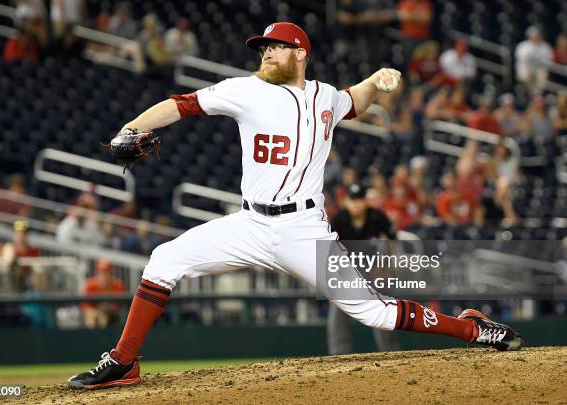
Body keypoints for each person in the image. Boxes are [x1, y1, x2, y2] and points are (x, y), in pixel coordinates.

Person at [67, 22, 523, 390]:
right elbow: (180, 105)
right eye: (263, 48)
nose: (266, 54)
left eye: (277, 48)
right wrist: (131, 126)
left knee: (374, 313)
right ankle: (124, 362)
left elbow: (352, 103)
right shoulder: (243, 90)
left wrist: (375, 81)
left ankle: (471, 327)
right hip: (250, 223)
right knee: (164, 259)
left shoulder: (324, 95)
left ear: (300, 54)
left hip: (303, 228)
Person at [327, 184, 399, 354]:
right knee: (337, 314)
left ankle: (391, 353)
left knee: (382, 311)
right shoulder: (339, 219)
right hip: (345, 271)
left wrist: (386, 265)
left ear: (365, 201)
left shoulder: (376, 217)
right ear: (346, 202)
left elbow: (393, 239)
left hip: (372, 270)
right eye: (352, 200)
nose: (356, 204)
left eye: (359, 200)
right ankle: (338, 356)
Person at [81, 259, 126, 328]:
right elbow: (86, 308)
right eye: (102, 273)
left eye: (107, 273)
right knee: (92, 316)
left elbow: (121, 308)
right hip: (95, 316)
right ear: (98, 274)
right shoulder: (90, 286)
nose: (105, 276)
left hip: (113, 316)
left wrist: (109, 310)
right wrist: (99, 313)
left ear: (111, 274)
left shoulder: (118, 285)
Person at [515, 26, 553, 95]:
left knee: (542, 74)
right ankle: (530, 93)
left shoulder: (546, 46)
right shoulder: (523, 46)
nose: (535, 38)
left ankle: (538, 95)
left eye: (537, 36)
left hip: (539, 70)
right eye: (533, 36)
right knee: (526, 72)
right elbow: (523, 61)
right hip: (527, 70)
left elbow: (549, 62)